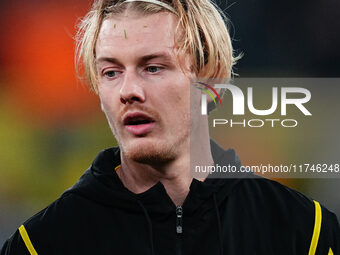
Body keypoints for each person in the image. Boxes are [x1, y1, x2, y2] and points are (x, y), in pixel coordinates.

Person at [1, 0, 339, 254]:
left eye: (153, 67)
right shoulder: (41, 243)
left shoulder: (306, 231)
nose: (128, 91)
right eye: (111, 72)